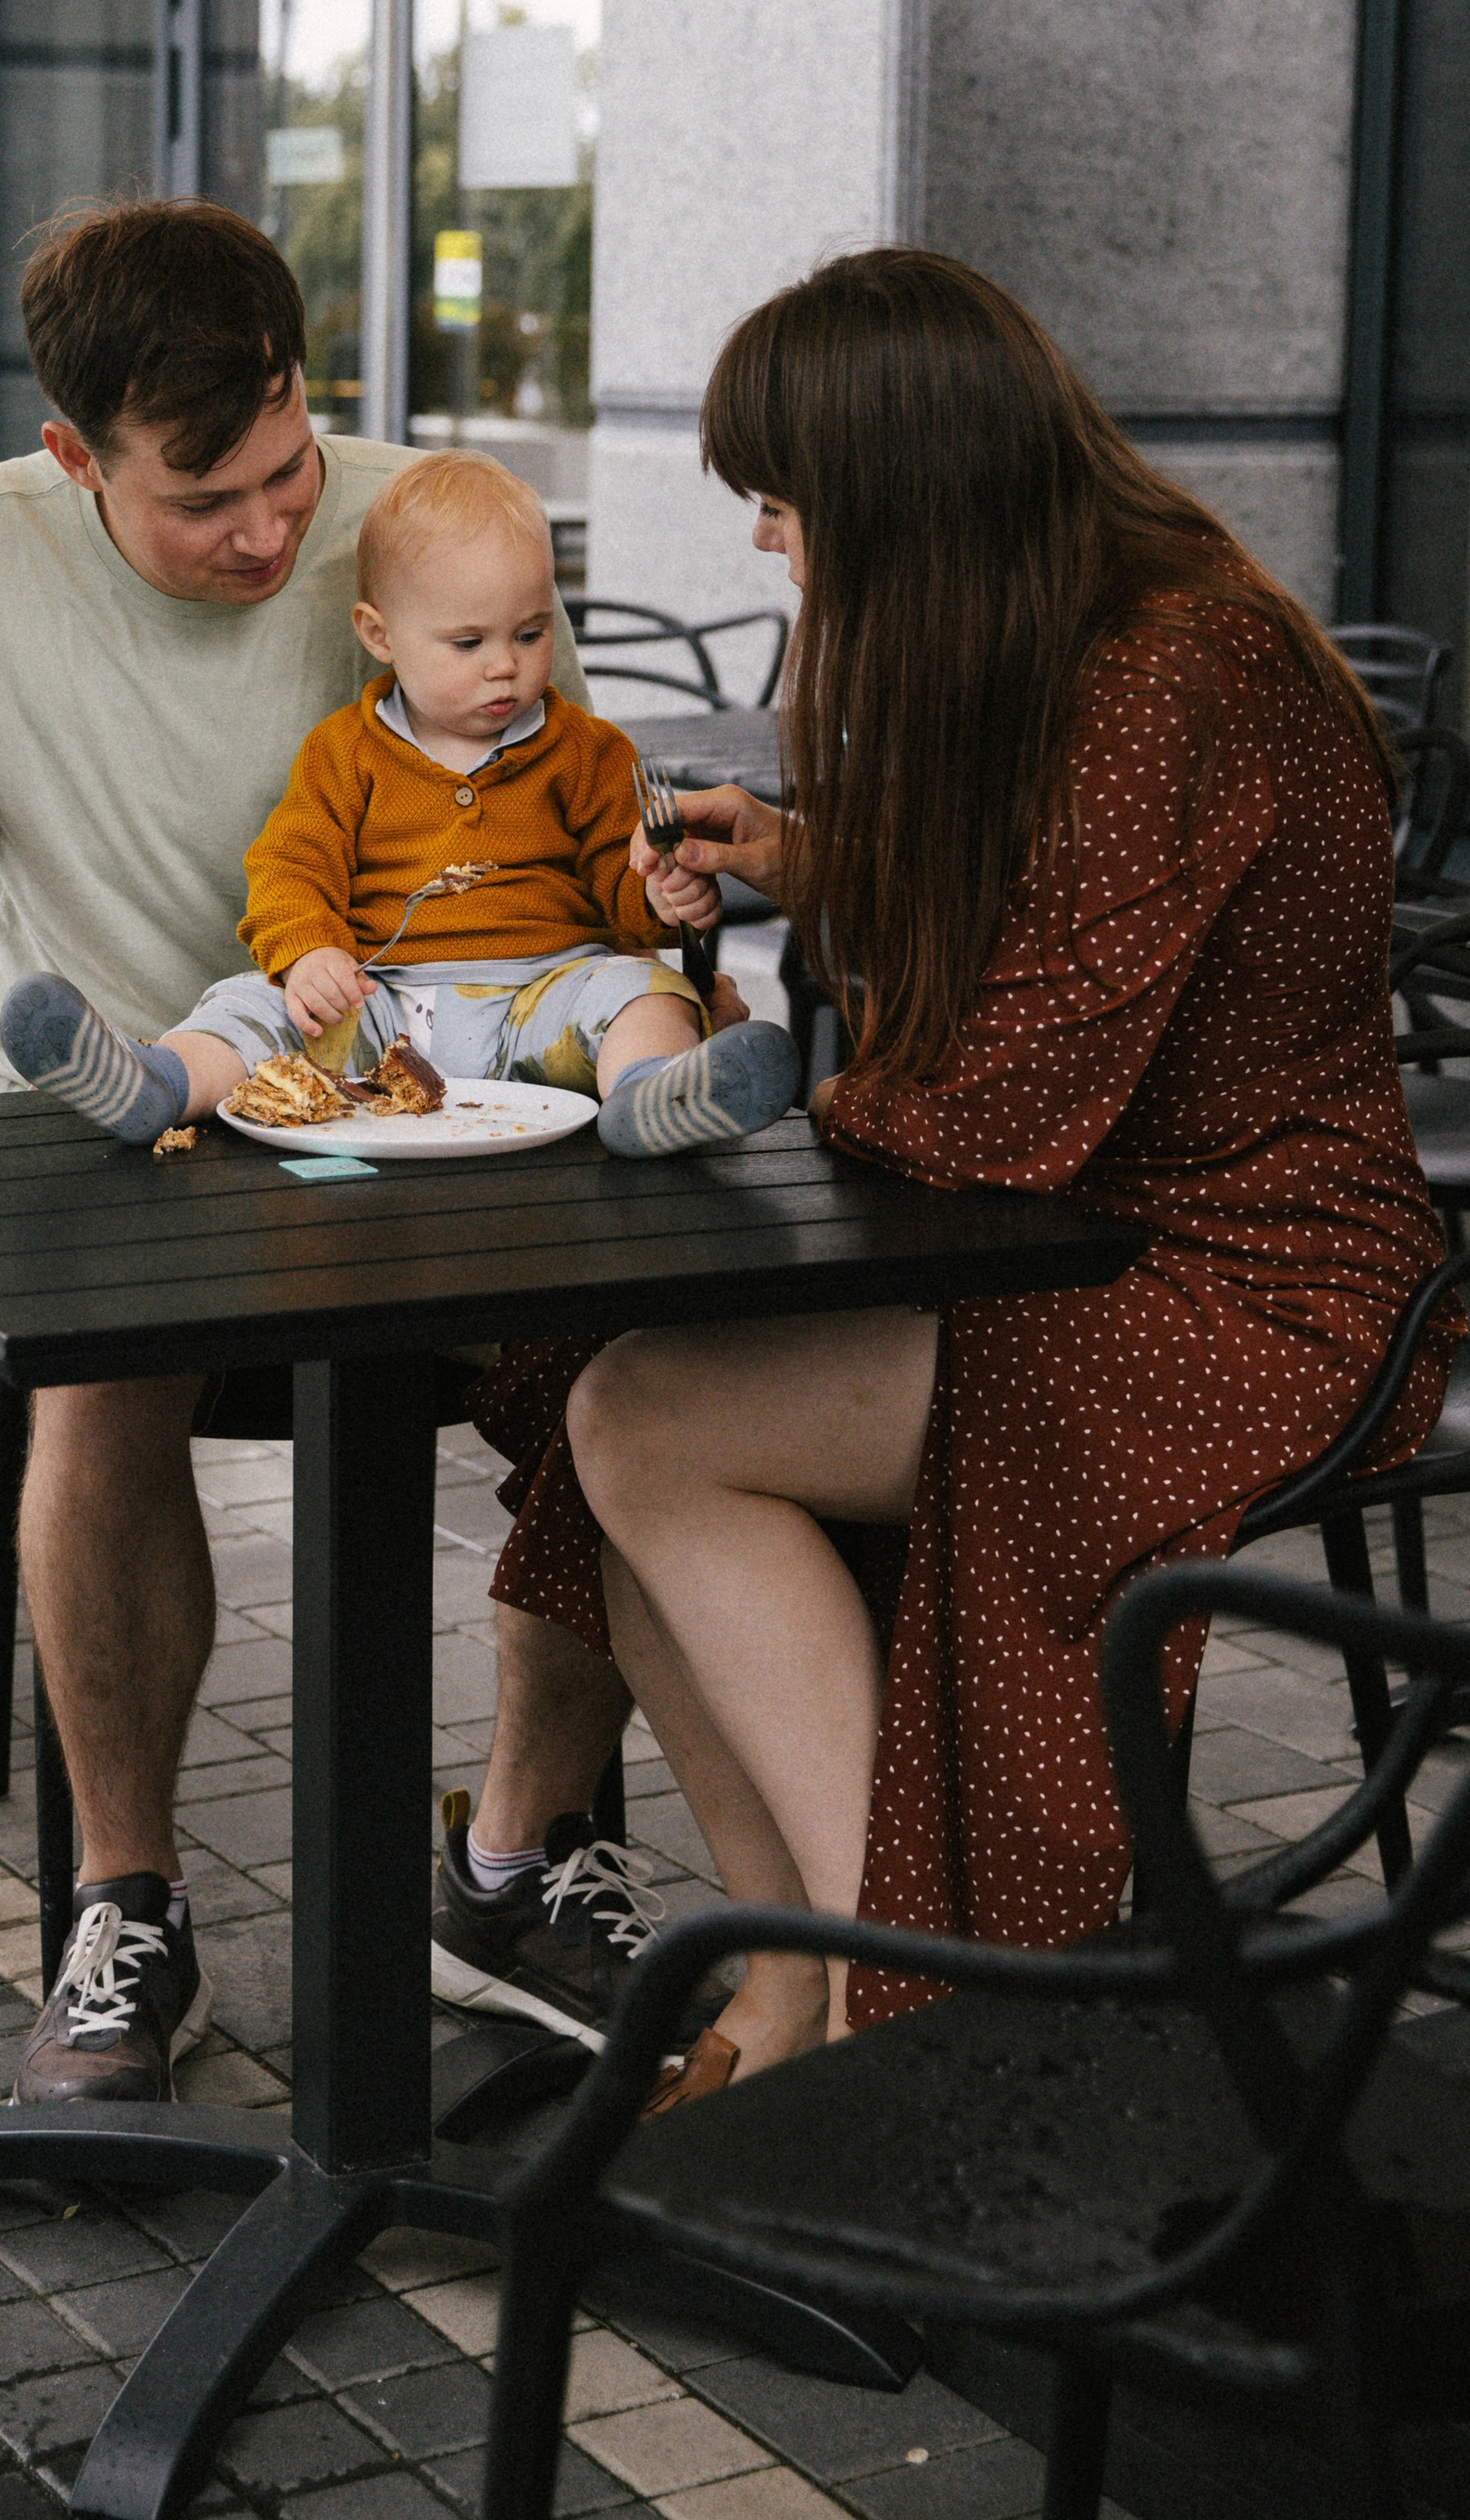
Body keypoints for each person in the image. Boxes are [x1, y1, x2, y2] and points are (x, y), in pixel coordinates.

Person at [507, 247, 1454, 2104]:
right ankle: (803, 2005)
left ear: (891, 499)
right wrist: (813, 856)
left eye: (781, 509)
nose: (770, 550)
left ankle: (893, 2019)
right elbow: (1069, 938)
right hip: (1105, 1241)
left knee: (639, 1417)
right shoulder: (1121, 619)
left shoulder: (1169, 679)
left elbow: (998, 1111)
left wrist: (741, 1117)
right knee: (603, 1419)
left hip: (1244, 1290)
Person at [0, 202, 680, 2102]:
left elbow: (556, 820)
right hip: (140, 1141)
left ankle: (509, 1863)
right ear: (74, 459)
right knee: (101, 1399)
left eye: (285, 468)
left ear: (307, 394)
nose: (272, 533)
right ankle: (129, 1906)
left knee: (648, 1358)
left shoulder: (419, 520)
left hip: (449, 1116)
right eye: (206, 501)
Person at [1, 446, 795, 1156]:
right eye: (468, 642)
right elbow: (289, 865)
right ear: (380, 635)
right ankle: (162, 1081)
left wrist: (662, 893)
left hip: (545, 995)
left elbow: (623, 892)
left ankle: (652, 1094)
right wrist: (311, 952)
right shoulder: (345, 752)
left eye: (530, 632)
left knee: (645, 991)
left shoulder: (587, 751)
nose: (506, 668)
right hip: (378, 1006)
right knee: (251, 1002)